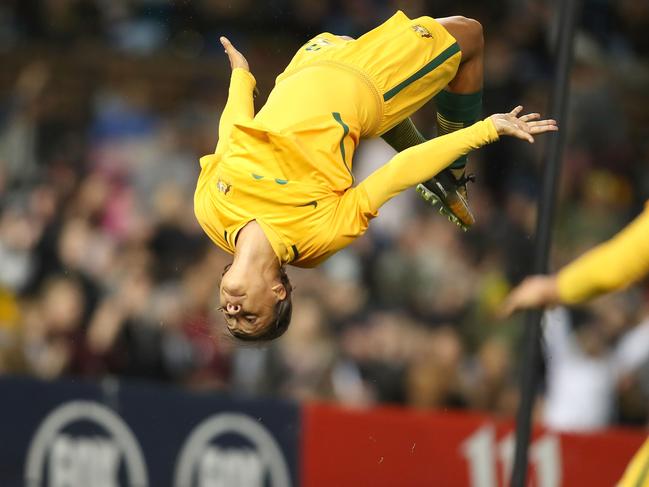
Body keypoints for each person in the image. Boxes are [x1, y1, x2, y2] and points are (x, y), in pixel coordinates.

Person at [194, 11, 558, 341]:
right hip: (367, 81)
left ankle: (430, 160)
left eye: (229, 317)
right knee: (470, 34)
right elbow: (396, 173)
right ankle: (454, 174)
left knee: (366, 50)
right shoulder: (314, 238)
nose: (235, 310)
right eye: (251, 317)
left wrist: (241, 78)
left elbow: (232, 137)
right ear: (279, 292)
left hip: (307, 62)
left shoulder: (211, 214)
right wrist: (485, 129)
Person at [501, 204, 649, 486]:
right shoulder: (567, 347)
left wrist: (557, 287)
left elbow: (622, 261)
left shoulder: (616, 357)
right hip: (558, 445)